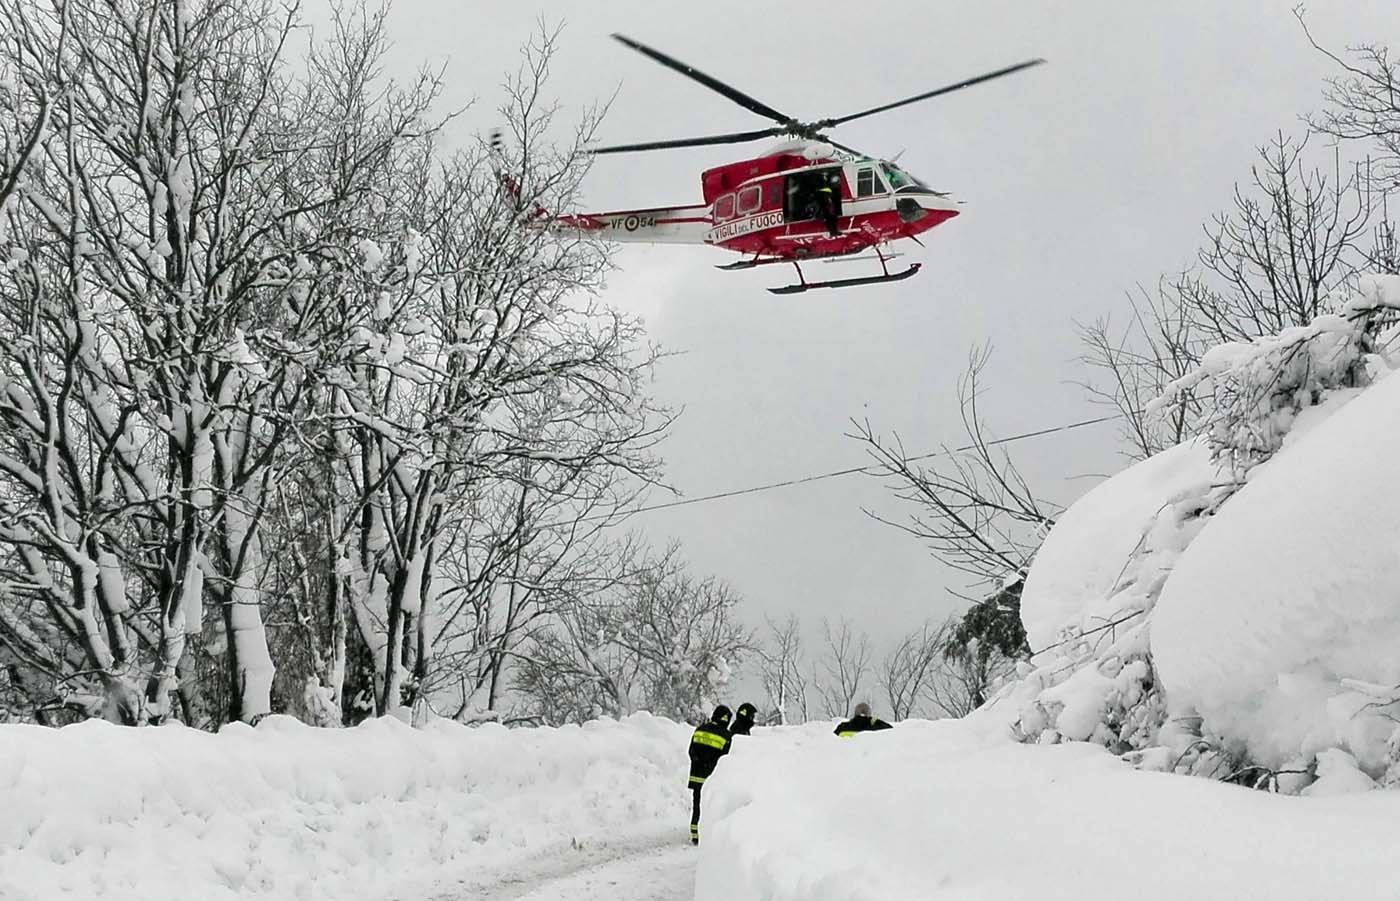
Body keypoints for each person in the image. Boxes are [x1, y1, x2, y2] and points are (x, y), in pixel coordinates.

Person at [687, 704, 733, 845]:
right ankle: (706, 834)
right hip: (712, 778)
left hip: (696, 775)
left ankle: (694, 833)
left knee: (697, 804)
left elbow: (691, 751)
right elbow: (726, 758)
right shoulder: (726, 736)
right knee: (710, 806)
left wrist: (698, 763)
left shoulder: (700, 730)